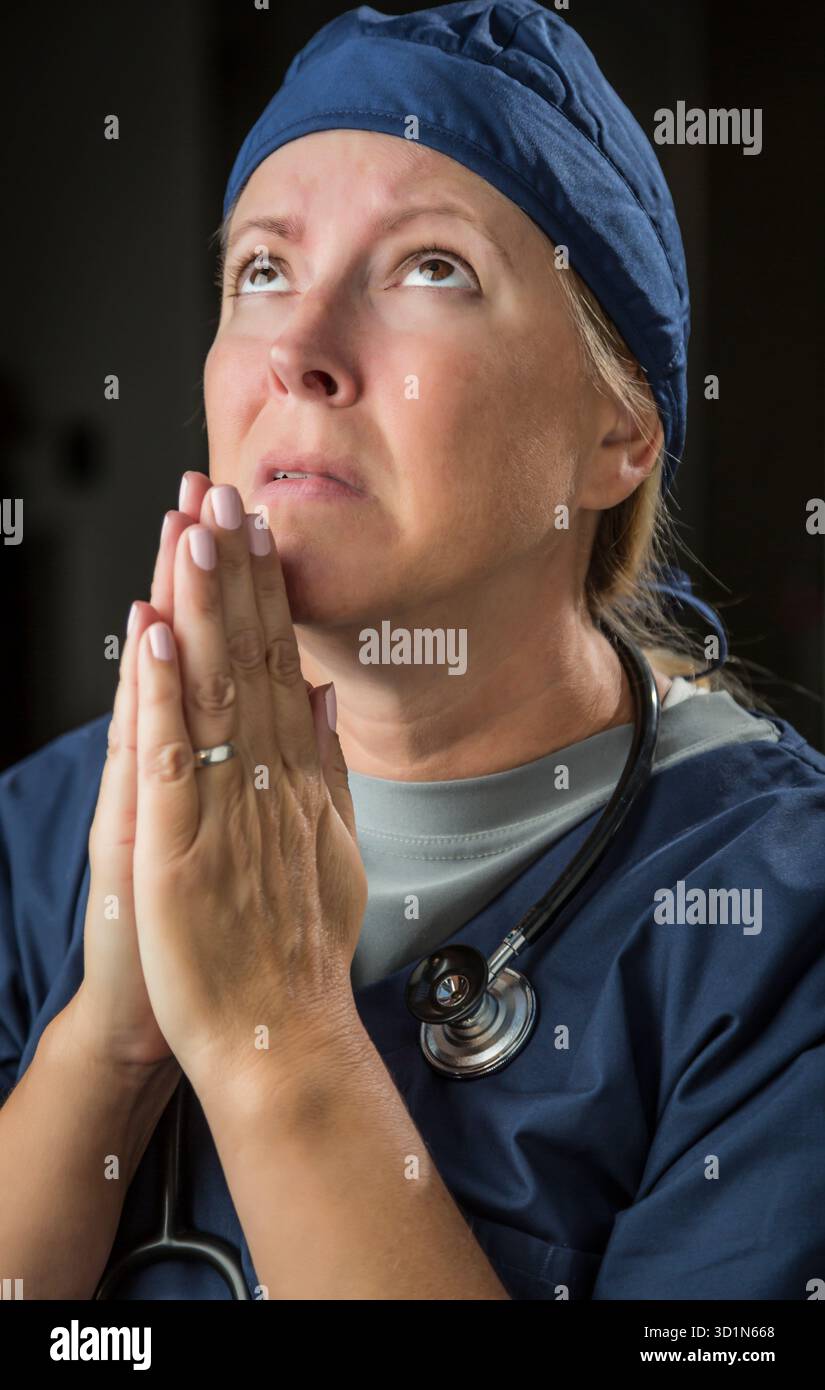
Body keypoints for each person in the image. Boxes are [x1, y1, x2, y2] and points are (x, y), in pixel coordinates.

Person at [1, 1, 824, 1301]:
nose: (298, 352)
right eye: (261, 270)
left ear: (617, 433)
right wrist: (107, 1038)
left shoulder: (773, 927)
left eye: (428, 269)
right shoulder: (48, 832)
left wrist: (287, 1052)